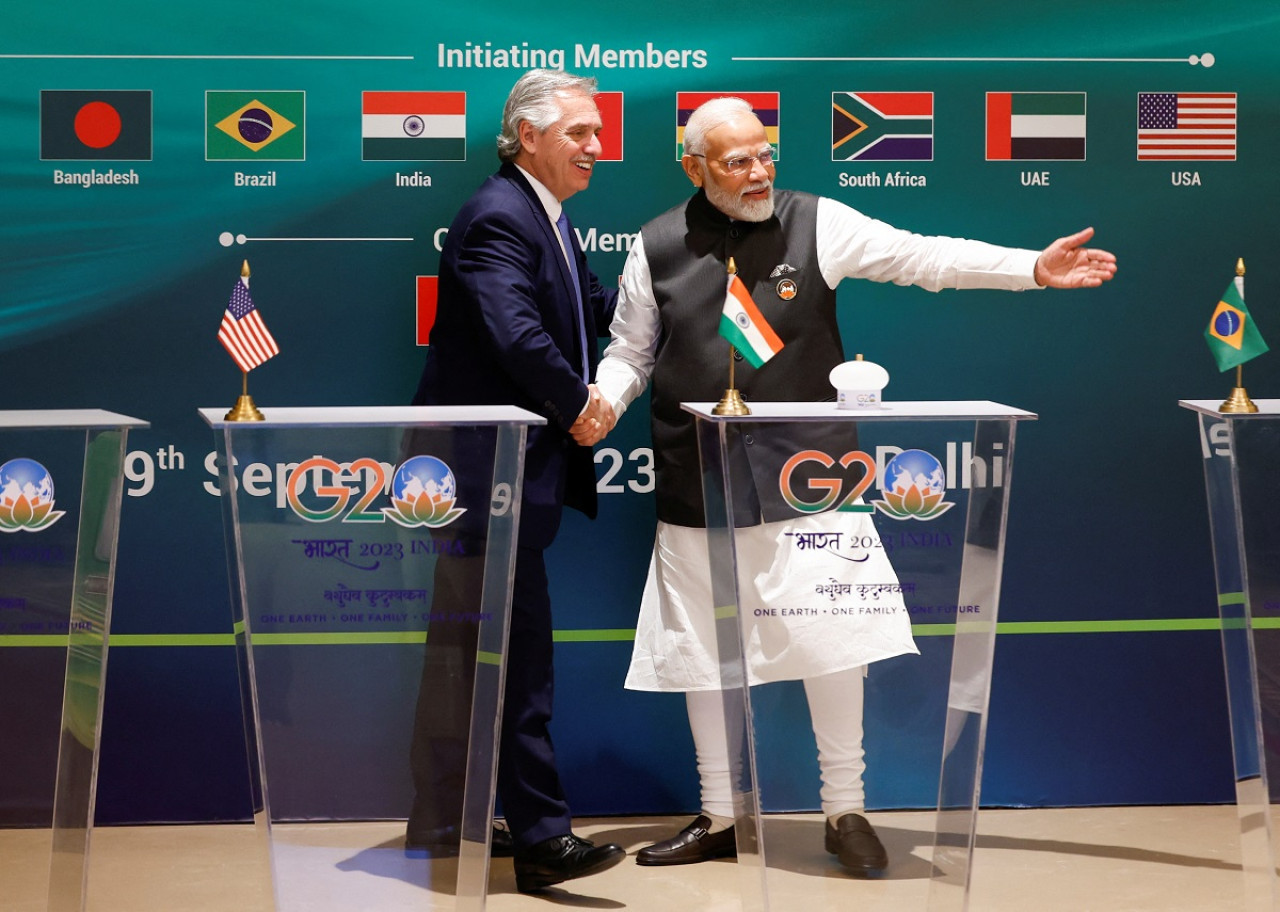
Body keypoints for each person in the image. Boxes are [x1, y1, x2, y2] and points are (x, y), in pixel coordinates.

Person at [580, 95, 1116, 874]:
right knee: (703, 650)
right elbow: (632, 348)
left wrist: (1031, 269)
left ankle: (846, 810)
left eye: (765, 153)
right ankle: (721, 815)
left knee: (835, 642)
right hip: (700, 479)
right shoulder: (656, 244)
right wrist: (605, 399)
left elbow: (923, 257)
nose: (759, 172)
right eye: (736, 161)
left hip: (811, 478)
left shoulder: (817, 220)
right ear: (694, 168)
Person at [407, 68, 622, 894]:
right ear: (527, 136)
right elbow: (518, 336)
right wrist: (581, 406)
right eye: (579, 134)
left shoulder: (547, 217)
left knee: (467, 648)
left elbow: (589, 309)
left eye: (597, 133)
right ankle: (540, 839)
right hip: (480, 475)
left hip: (495, 476)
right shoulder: (500, 216)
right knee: (516, 652)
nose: (597, 148)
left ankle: (441, 817)